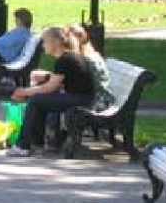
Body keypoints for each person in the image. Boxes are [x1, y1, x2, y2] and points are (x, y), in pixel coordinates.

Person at [5, 26, 97, 157]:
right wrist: (38, 83)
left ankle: (23, 146)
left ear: (55, 42)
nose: (43, 45)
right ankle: (36, 144)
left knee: (36, 100)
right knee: (39, 100)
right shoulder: (67, 57)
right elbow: (58, 81)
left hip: (82, 100)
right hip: (81, 97)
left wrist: (24, 92)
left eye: (45, 41)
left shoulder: (65, 59)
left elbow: (50, 87)